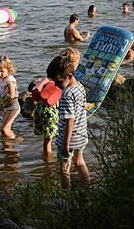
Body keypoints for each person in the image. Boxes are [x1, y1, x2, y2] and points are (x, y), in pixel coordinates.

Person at [47, 54, 90, 189]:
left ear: (69, 76)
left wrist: (65, 144)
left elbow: (69, 121)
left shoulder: (66, 94)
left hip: (68, 139)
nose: (57, 86)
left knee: (65, 166)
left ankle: (66, 193)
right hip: (81, 135)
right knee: (80, 162)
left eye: (59, 82)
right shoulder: (80, 87)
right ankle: (87, 188)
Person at [0, 55, 20, 138]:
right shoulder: (2, 81)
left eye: (1, 71)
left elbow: (11, 95)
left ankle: (16, 140)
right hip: (7, 108)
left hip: (13, 108)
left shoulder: (10, 80)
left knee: (5, 129)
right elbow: (1, 98)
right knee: (3, 129)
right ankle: (8, 145)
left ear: (8, 69)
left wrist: (6, 96)